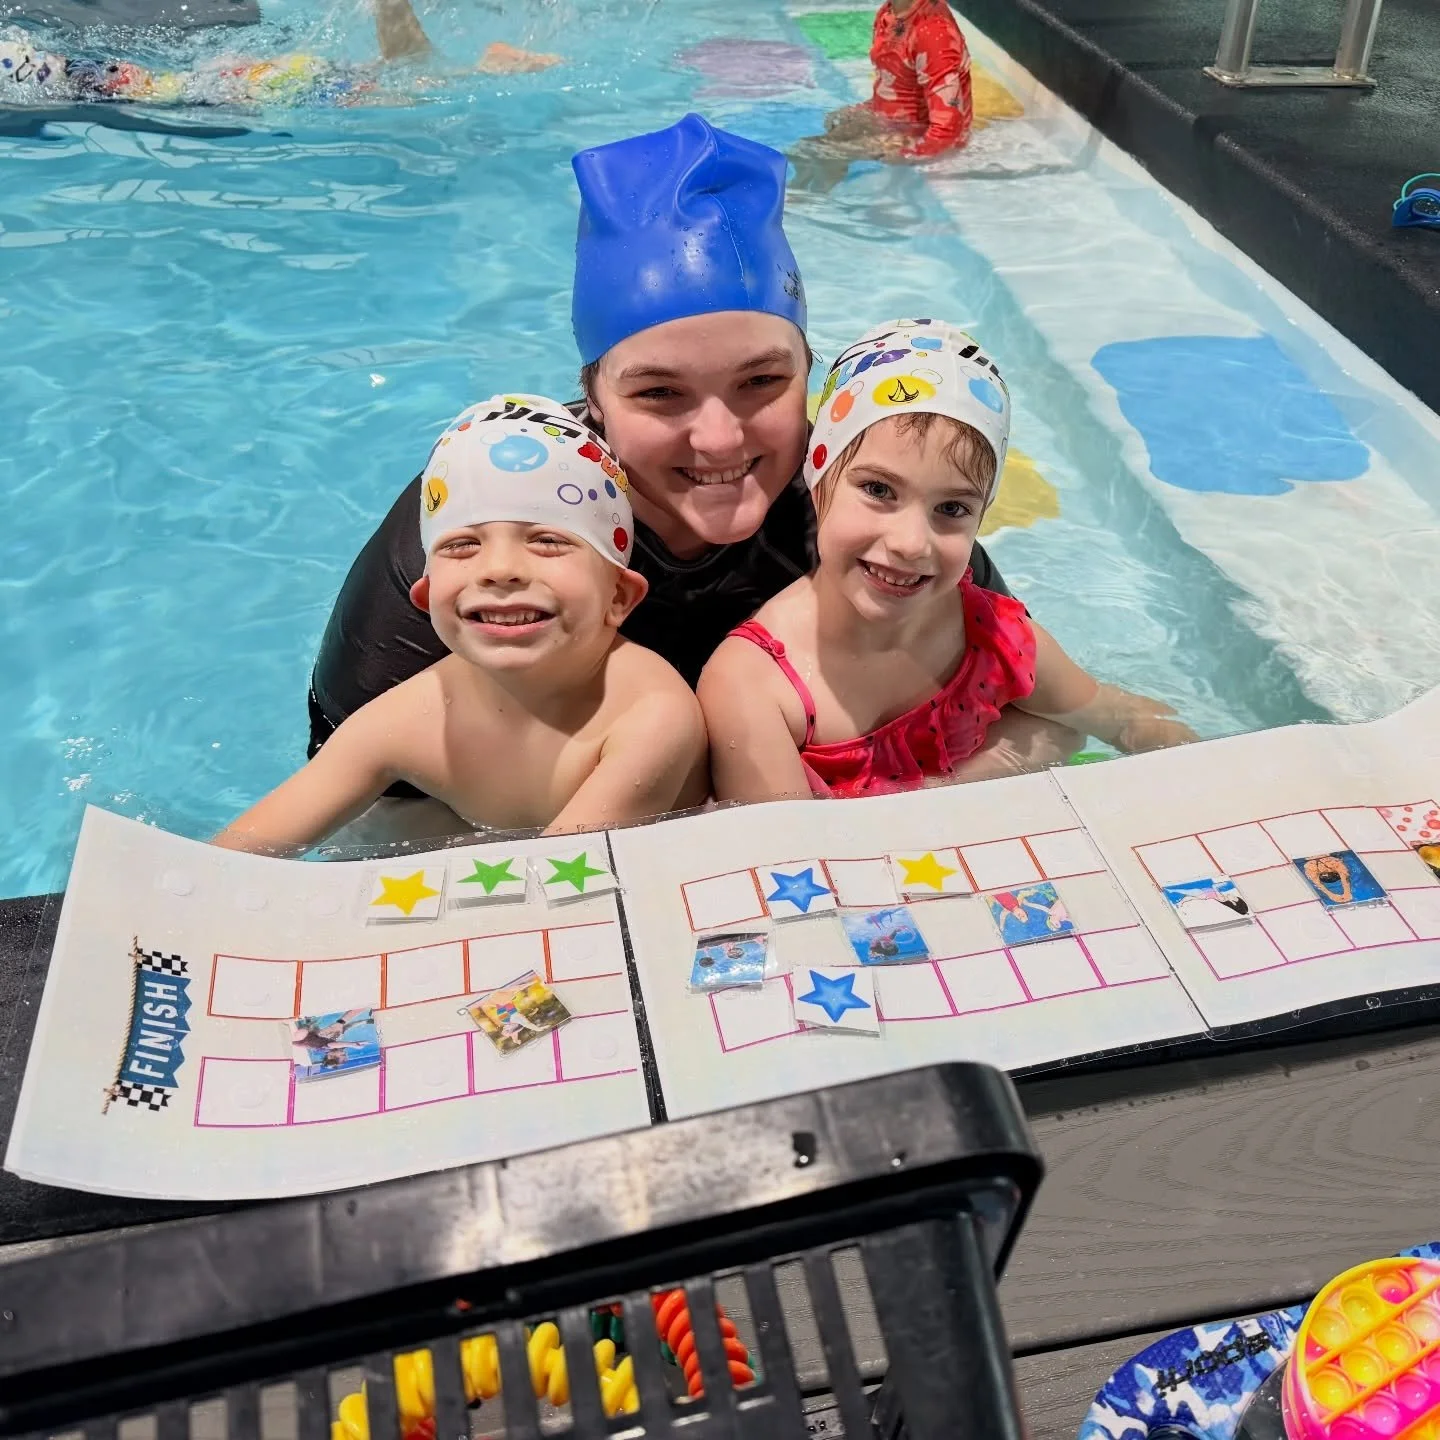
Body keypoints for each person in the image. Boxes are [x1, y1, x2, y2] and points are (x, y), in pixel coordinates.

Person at [308, 115, 1070, 817]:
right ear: (594, 397)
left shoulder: (864, 499)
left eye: (762, 383)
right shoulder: (477, 532)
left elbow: (1028, 702)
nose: (719, 439)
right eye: (660, 393)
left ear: (808, 373)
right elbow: (377, 811)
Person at [698, 321, 1199, 802]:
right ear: (818, 481)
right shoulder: (751, 687)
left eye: (952, 509)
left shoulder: (994, 638)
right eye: (878, 490)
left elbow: (1122, 719)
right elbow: (785, 863)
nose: (912, 542)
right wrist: (977, 778)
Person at [213, 398, 707, 854]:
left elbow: (565, 892)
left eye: (548, 541)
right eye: (462, 546)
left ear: (618, 596)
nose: (499, 569)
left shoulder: (651, 716)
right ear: (427, 601)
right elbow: (229, 862)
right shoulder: (407, 718)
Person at [0, 0, 557, 107]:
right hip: (232, 79)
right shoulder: (27, 59)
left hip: (245, 86)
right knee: (400, 78)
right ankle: (482, 63)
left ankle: (487, 65)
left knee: (405, 94)